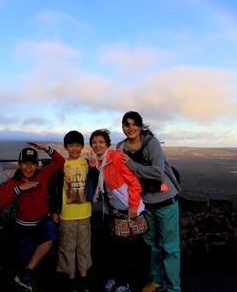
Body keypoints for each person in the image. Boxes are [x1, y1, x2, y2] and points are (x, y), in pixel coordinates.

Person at [117, 111, 181, 292]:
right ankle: (156, 281)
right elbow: (116, 171)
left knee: (169, 248)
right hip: (145, 204)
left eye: (134, 124)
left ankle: (173, 288)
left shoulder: (151, 143)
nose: (130, 128)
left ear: (140, 125)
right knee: (152, 245)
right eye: (126, 125)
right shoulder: (120, 146)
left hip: (166, 201)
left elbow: (157, 172)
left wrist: (131, 164)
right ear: (122, 127)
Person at [0, 141, 66, 292]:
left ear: (37, 165)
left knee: (50, 235)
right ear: (19, 164)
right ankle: (26, 275)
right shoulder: (14, 182)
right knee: (25, 258)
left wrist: (46, 149)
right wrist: (19, 189)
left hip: (42, 221)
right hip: (23, 226)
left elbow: (60, 161)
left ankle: (26, 273)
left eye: (33, 164)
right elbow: (0, 203)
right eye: (25, 164)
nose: (29, 168)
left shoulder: (42, 175)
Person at [89, 129, 145, 292]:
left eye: (101, 142)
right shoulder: (102, 161)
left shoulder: (115, 158)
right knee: (113, 247)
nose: (97, 145)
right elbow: (105, 183)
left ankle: (124, 283)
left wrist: (133, 206)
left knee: (127, 249)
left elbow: (134, 182)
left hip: (128, 210)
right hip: (114, 211)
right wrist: (95, 169)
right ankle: (114, 278)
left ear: (107, 144)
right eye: (94, 142)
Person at [49, 130, 99, 292]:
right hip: (67, 215)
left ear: (82, 146)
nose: (75, 149)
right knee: (67, 247)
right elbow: (55, 190)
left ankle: (84, 278)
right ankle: (70, 278)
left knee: (84, 246)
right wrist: (54, 211)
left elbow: (96, 181)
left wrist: (93, 169)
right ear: (66, 147)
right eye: (71, 145)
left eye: (78, 145)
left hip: (85, 213)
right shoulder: (61, 164)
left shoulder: (86, 163)